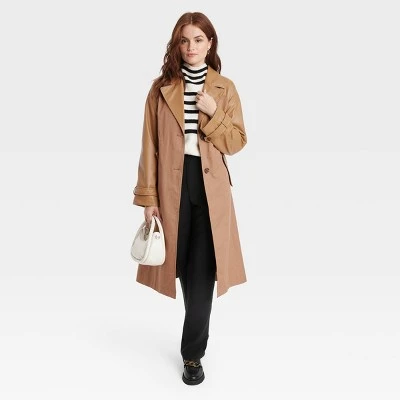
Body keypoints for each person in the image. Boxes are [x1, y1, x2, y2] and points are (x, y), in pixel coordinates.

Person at [132, 11, 248, 385]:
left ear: (210, 44)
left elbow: (237, 141)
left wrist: (213, 114)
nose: (191, 47)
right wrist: (148, 198)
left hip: (211, 191)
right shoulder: (160, 89)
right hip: (171, 187)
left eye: (198, 40)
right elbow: (149, 146)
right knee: (177, 265)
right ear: (177, 45)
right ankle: (194, 335)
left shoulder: (225, 88)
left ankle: (192, 355)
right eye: (185, 40)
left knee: (203, 273)